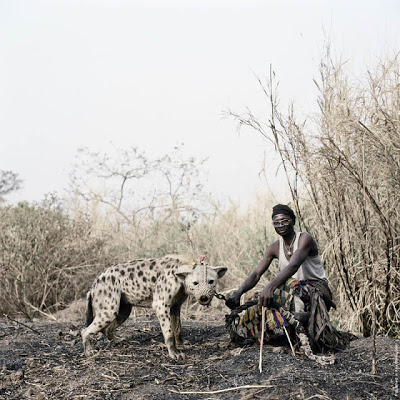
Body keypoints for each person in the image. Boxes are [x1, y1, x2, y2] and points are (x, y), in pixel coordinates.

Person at [226, 203, 327, 312]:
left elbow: (294, 265)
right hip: (292, 289)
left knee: (289, 294)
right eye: (276, 223)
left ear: (293, 221)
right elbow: (256, 274)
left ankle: (300, 325)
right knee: (258, 302)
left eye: (285, 221)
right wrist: (238, 293)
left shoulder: (305, 239)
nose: (281, 225)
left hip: (315, 287)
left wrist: (270, 287)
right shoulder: (274, 247)